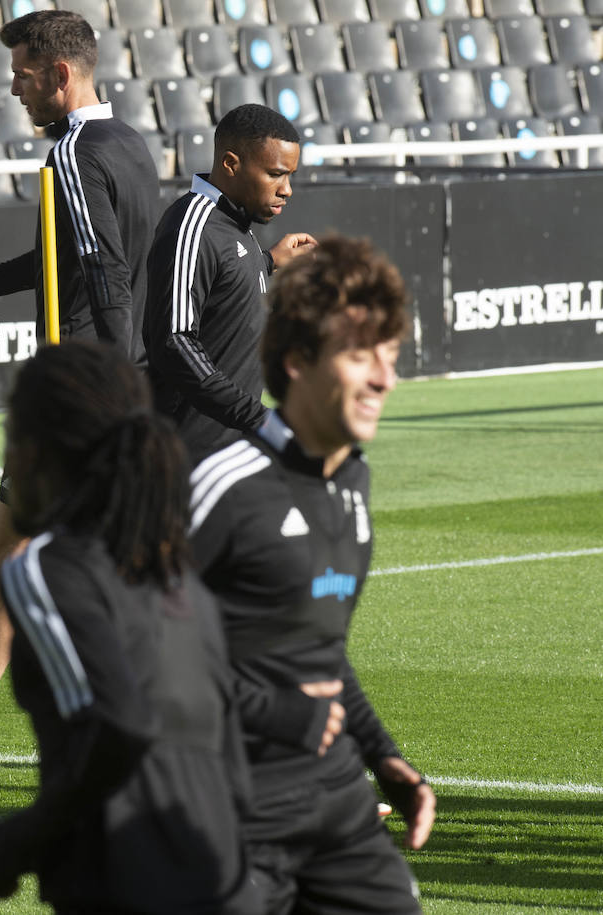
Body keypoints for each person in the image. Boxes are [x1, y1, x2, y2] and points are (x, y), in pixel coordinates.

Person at [0, 8, 162, 770]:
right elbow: (69, 260)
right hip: (106, 383)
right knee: (11, 550)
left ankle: (175, 731)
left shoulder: (75, 156)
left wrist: (116, 394)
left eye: (20, 74)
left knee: (77, 566)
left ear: (58, 74)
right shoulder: (129, 144)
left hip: (82, 396)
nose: (11, 88)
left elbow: (107, 275)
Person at [0, 341, 258, 914]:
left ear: (42, 452)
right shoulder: (175, 569)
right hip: (227, 877)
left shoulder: (44, 570)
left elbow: (123, 729)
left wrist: (16, 842)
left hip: (132, 882)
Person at [189, 236, 435, 913]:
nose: (385, 377)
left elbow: (316, 652)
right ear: (298, 363)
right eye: (361, 355)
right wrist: (274, 709)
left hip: (334, 801)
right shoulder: (223, 487)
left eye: (389, 354)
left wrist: (384, 756)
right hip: (226, 812)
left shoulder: (353, 479)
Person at [144, 103, 317, 463]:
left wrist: (267, 262)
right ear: (231, 164)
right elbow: (173, 342)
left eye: (290, 176)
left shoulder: (234, 221)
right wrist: (258, 419)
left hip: (228, 455)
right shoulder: (193, 225)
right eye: (275, 174)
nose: (286, 189)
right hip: (183, 462)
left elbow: (220, 288)